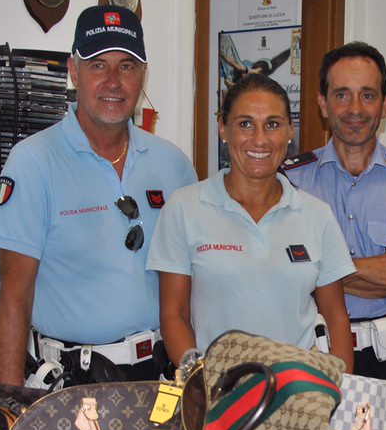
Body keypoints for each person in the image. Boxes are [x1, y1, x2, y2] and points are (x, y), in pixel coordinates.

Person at [0, 5, 196, 387]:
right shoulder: (33, 163)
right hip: (73, 381)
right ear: (73, 71)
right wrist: (9, 408)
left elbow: (188, 290)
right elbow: (14, 300)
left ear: (142, 75)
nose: (114, 81)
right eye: (98, 65)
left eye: (128, 67)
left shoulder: (174, 165)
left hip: (159, 378)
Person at [147, 73, 356, 370]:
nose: (260, 139)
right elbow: (174, 315)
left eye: (272, 124)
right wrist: (201, 385)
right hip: (216, 394)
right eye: (245, 124)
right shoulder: (184, 208)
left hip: (299, 398)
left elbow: (336, 317)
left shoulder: (316, 215)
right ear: (223, 129)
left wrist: (340, 393)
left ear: (289, 131)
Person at [280, 42, 386, 383]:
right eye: (342, 95)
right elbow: (285, 276)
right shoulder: (290, 180)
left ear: (385, 105)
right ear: (322, 103)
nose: (354, 108)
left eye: (367, 95)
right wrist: (381, 270)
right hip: (310, 355)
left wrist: (320, 272)